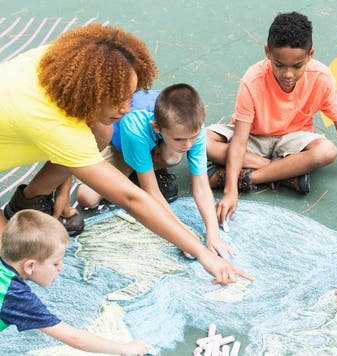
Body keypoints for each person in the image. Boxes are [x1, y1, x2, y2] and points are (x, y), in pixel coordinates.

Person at [0, 24, 251, 285]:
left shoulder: (66, 66)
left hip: (18, 118)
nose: (126, 108)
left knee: (102, 131)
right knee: (13, 264)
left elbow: (68, 141)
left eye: (129, 96)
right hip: (20, 118)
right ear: (90, 92)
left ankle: (30, 199)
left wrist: (62, 196)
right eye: (116, 99)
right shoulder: (53, 124)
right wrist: (202, 252)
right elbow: (131, 198)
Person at [206, 11, 337, 226]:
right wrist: (230, 192)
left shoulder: (321, 77)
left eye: (297, 66)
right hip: (253, 138)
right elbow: (239, 140)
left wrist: (237, 182)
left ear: (310, 54)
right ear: (267, 52)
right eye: (279, 65)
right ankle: (286, 172)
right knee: (199, 140)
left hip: (292, 140)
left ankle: (250, 177)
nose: (288, 74)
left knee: (327, 151)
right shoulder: (253, 79)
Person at [78, 84, 236, 259]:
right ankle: (140, 170)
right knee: (87, 197)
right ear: (156, 128)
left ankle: (149, 167)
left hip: (156, 146)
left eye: (193, 137)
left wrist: (213, 233)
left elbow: (201, 186)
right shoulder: (135, 127)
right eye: (180, 139)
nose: (188, 145)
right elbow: (151, 191)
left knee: (173, 154)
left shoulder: (192, 126)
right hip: (121, 147)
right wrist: (185, 236)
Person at [0, 209, 152, 355]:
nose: (61, 267)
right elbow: (75, 338)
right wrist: (125, 348)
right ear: (30, 266)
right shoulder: (15, 296)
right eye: (56, 263)